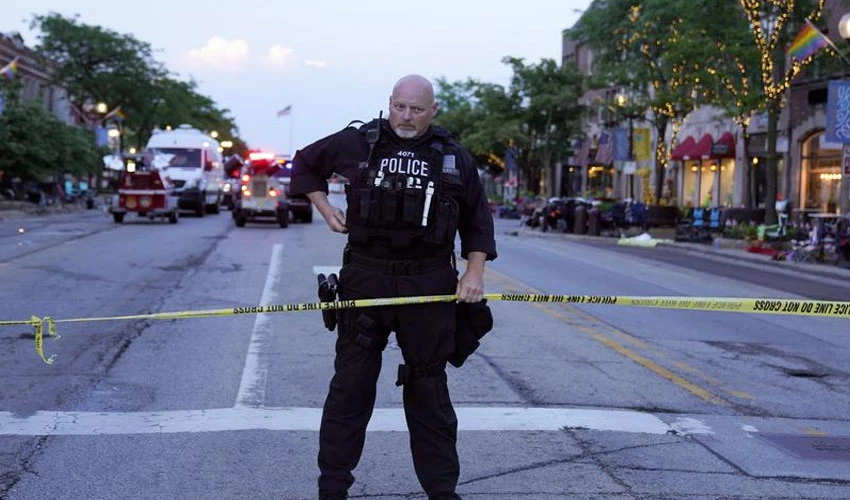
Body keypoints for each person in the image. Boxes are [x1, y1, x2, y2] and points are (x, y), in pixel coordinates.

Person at [290, 74, 497, 500]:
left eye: (417, 109)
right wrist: (325, 208)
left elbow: (477, 221)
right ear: (389, 103)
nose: (406, 117)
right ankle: (332, 489)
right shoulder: (359, 143)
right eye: (400, 107)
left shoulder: (453, 157)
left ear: (433, 111)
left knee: (429, 391)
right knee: (350, 388)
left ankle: (442, 491)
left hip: (427, 285)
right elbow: (305, 163)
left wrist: (473, 273)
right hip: (366, 279)